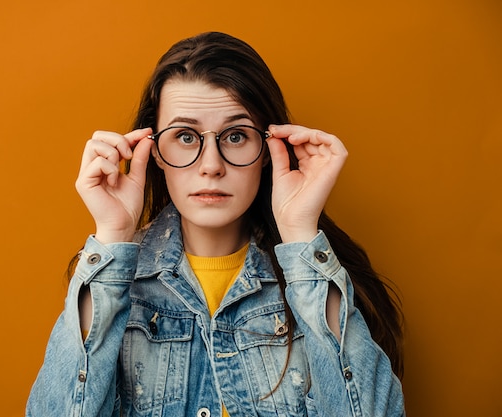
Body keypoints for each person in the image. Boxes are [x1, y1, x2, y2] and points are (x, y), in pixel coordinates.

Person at [26, 32, 405, 416]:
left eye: (236, 136)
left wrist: (301, 233)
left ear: (268, 150)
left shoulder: (312, 282)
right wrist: (112, 239)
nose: (211, 165)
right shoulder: (116, 281)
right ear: (153, 149)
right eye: (186, 137)